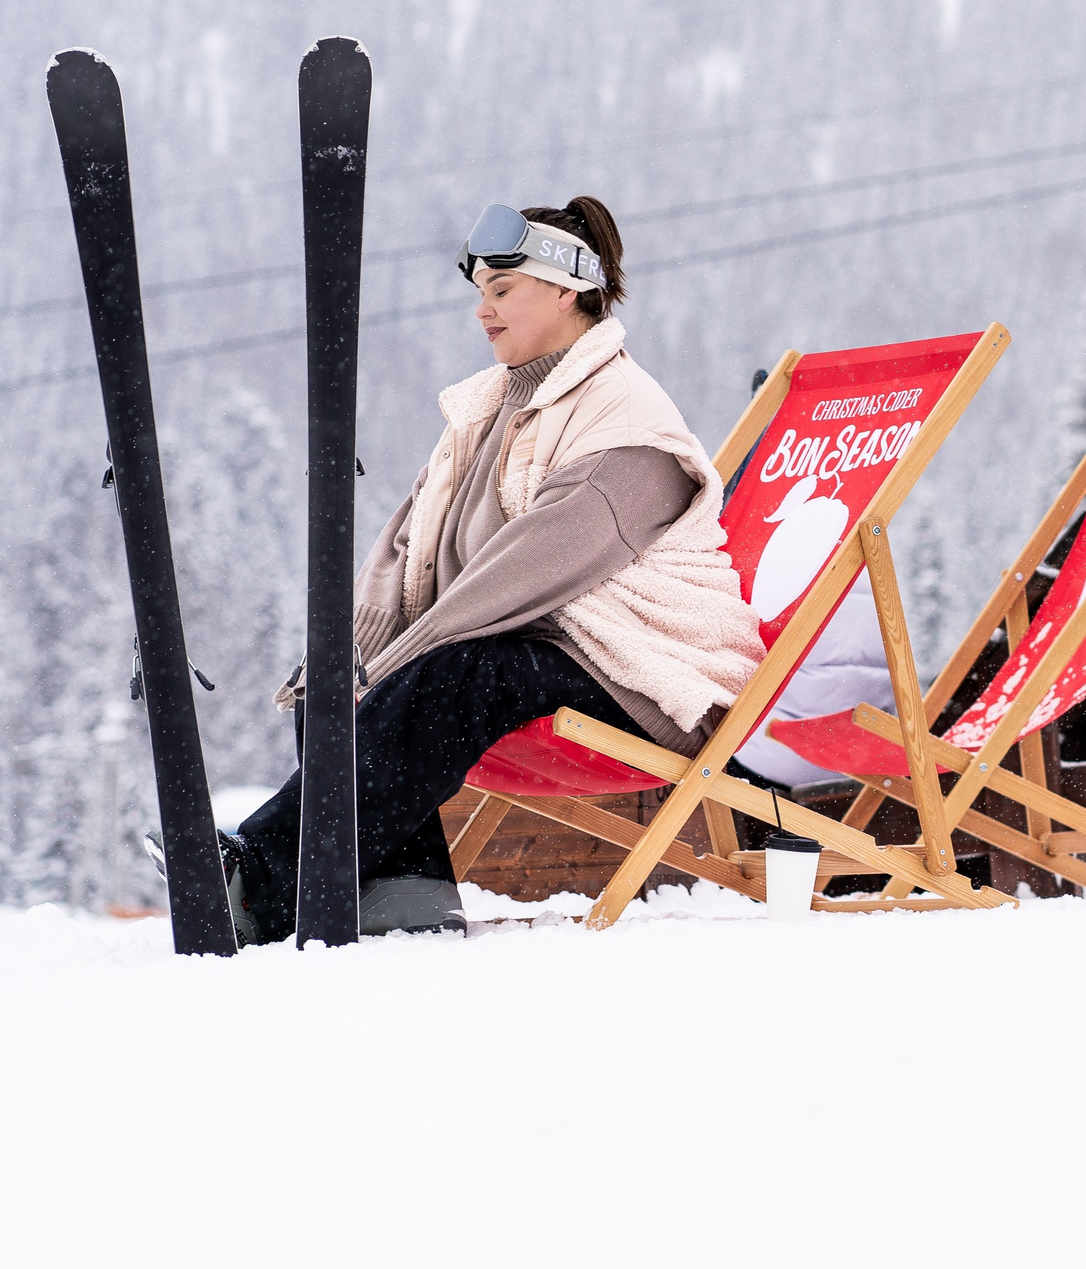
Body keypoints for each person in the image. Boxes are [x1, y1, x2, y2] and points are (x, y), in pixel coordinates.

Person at [222, 197, 765, 943]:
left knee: (462, 672)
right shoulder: (493, 408)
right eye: (479, 291)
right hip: (542, 645)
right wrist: (356, 653)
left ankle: (257, 876)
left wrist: (394, 664)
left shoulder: (624, 418)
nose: (483, 310)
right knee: (338, 672)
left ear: (567, 289)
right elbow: (406, 543)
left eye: (502, 290)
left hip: (650, 670)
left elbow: (529, 569)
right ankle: (397, 893)